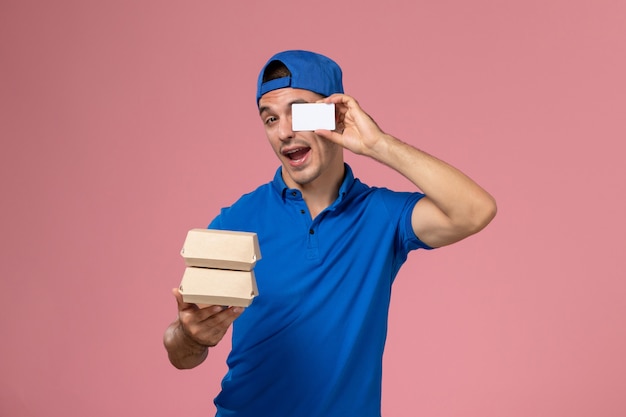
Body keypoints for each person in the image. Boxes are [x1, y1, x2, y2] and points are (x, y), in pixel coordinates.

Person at [163, 50, 497, 417]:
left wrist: (378, 144)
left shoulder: (381, 215)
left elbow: (474, 210)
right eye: (270, 118)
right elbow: (181, 353)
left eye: (300, 112)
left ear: (335, 114)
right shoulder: (236, 220)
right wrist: (190, 335)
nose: (285, 132)